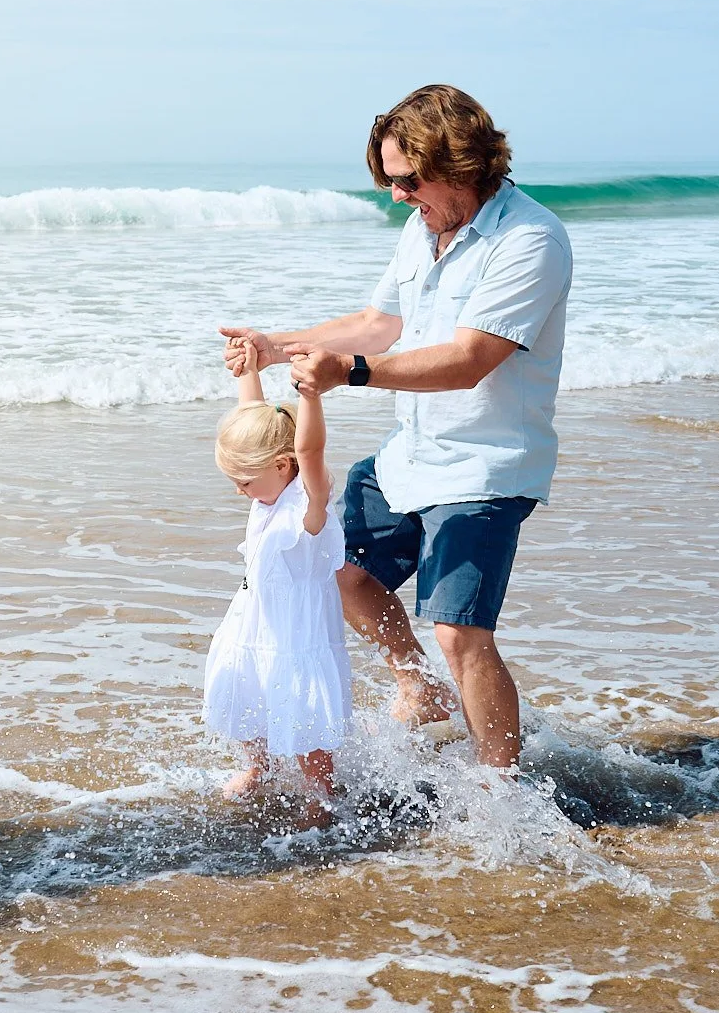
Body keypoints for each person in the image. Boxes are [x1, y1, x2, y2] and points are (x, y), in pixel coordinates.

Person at [220, 85, 570, 770]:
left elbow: (471, 360)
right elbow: (380, 322)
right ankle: (420, 686)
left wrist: (350, 372)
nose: (396, 196)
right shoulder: (423, 228)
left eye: (407, 180)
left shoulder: (531, 239)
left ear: (460, 161)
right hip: (411, 452)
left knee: (461, 632)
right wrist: (275, 345)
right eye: (388, 180)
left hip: (485, 463)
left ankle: (503, 792)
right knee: (343, 571)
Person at [201, 336, 352, 820]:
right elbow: (255, 416)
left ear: (283, 466)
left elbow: (311, 447)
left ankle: (322, 791)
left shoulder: (307, 507)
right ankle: (258, 766)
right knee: (248, 688)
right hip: (254, 617)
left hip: (297, 630)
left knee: (303, 711)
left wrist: (310, 396)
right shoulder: (266, 483)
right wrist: (248, 368)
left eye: (243, 481)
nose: (239, 491)